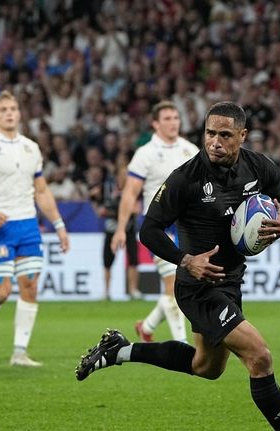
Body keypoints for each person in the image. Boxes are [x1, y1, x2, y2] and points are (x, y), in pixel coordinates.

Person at [75, 102, 280, 431]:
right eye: (210, 133)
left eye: (225, 135)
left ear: (242, 136)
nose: (215, 142)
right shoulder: (186, 178)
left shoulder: (258, 167)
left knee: (206, 367)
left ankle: (120, 351)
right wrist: (186, 260)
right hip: (197, 287)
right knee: (260, 356)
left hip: (230, 281)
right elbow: (148, 230)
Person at [0, 90, 70, 367]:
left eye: (13, 109)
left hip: (28, 226)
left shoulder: (30, 148)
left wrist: (58, 225)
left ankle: (19, 352)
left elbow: (42, 190)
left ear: (19, 113)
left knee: (30, 288)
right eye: (4, 110)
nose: (10, 113)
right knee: (0, 292)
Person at [110, 100, 198, 343]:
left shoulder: (190, 150)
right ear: (155, 124)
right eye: (167, 119)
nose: (173, 123)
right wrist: (120, 229)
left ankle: (146, 327)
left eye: (176, 118)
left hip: (187, 227)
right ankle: (182, 345)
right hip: (159, 228)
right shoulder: (145, 153)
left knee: (183, 283)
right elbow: (130, 192)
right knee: (174, 285)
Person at [95, 164, 141, 300]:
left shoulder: (134, 189)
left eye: (127, 174)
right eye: (122, 174)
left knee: (133, 259)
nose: (124, 177)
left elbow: (136, 209)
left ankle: (133, 290)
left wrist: (114, 210)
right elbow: (100, 208)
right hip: (111, 229)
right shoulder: (107, 188)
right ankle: (106, 291)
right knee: (107, 260)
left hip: (129, 228)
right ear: (117, 176)